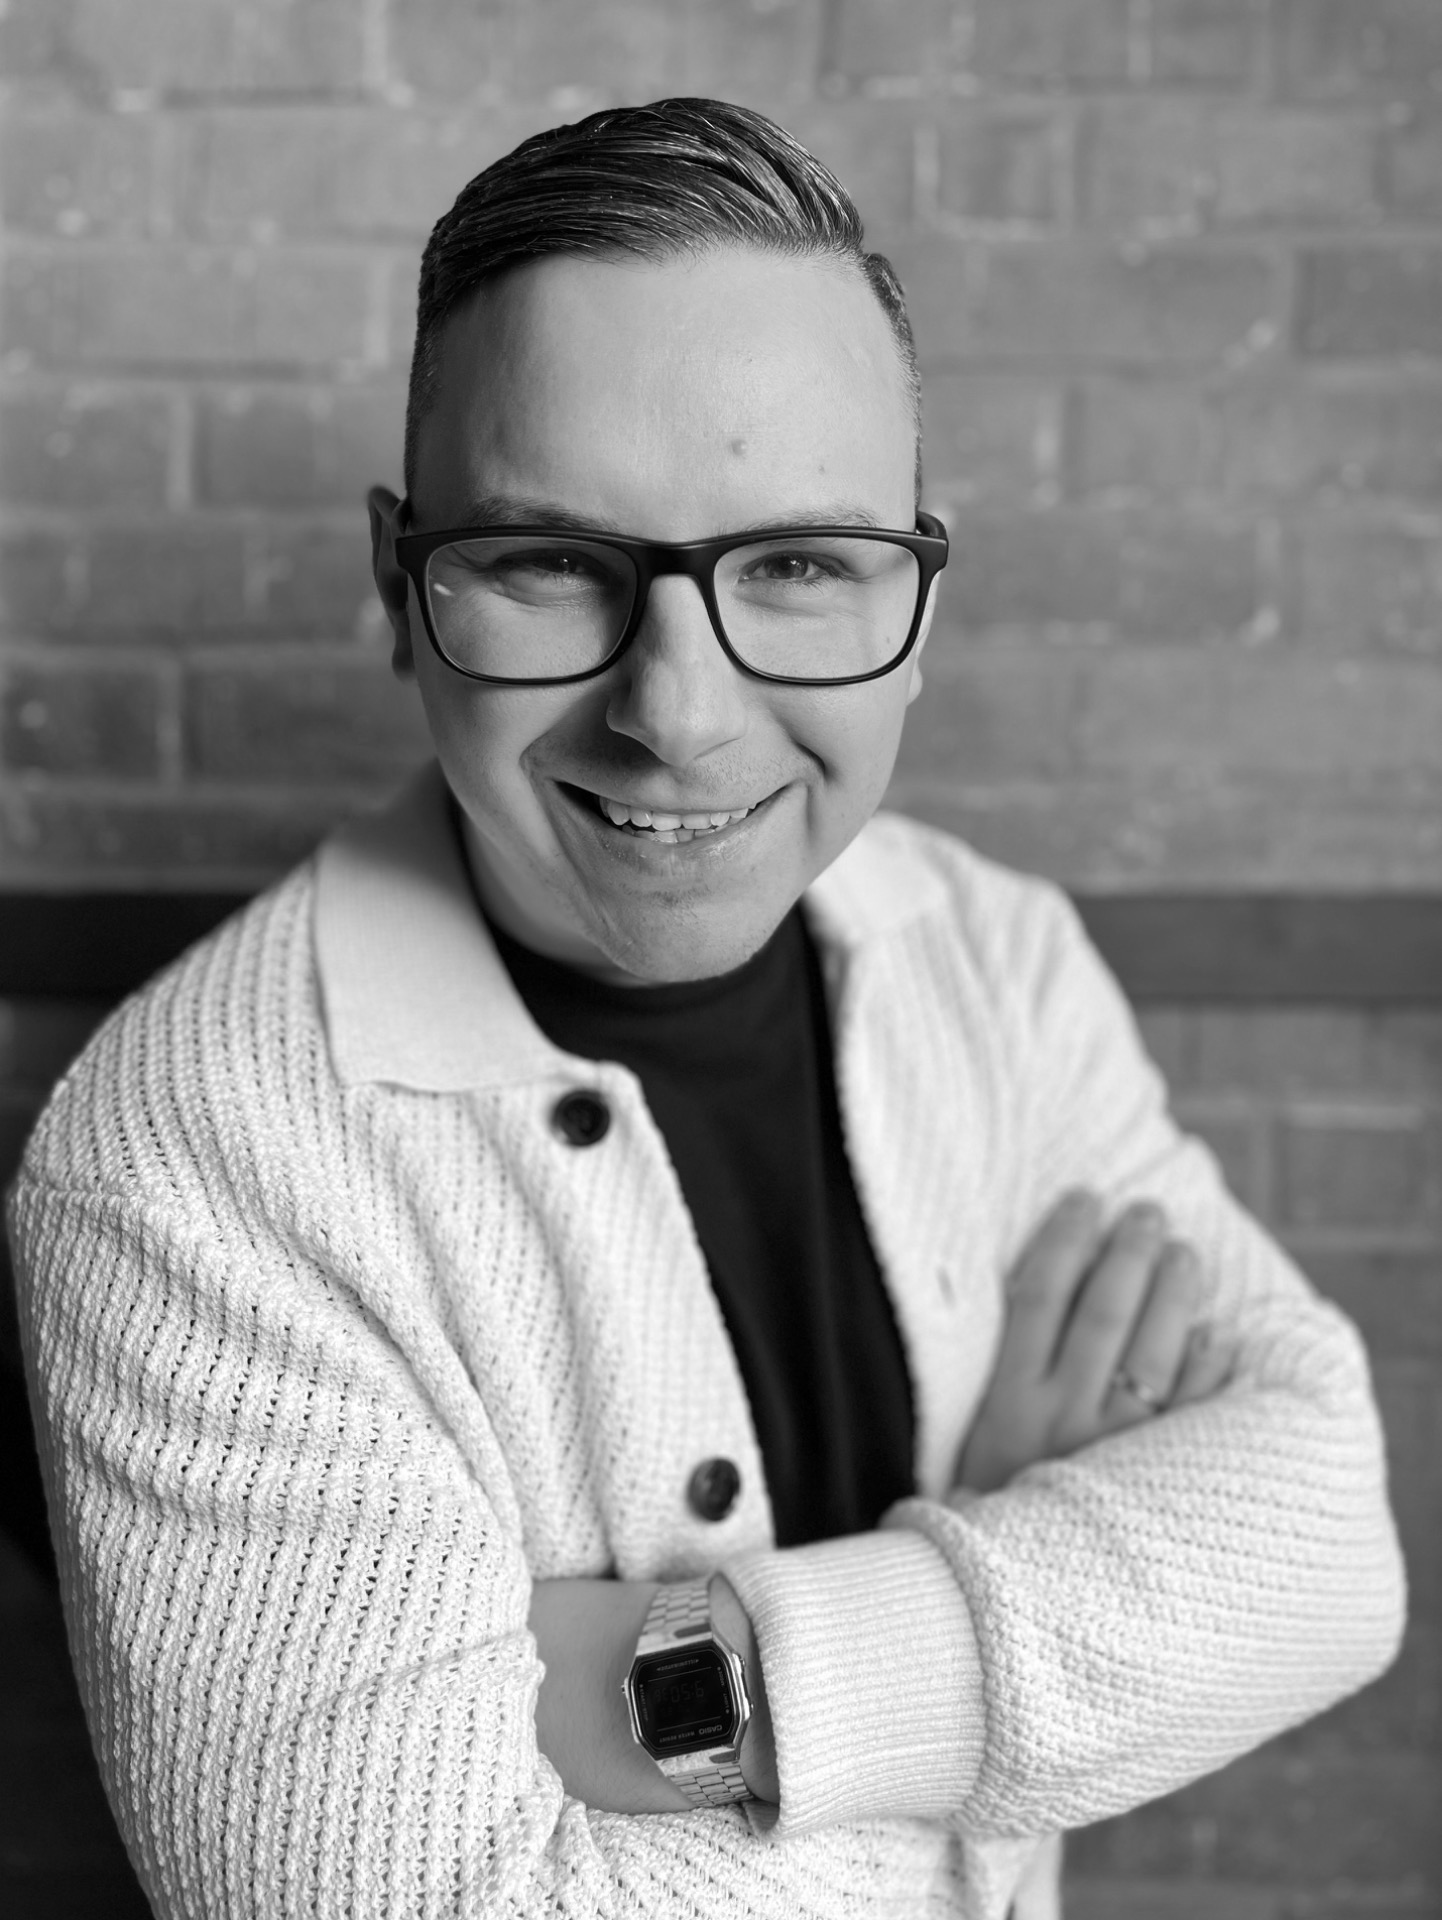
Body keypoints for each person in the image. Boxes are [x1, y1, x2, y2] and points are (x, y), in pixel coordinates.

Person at [6, 98, 1404, 1920]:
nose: (677, 713)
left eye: (798, 564)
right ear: (400, 587)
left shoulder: (994, 960)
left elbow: (1329, 1545)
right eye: (549, 562)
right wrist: (1029, 1585)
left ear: (916, 602)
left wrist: (703, 1686)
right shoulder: (185, 1165)